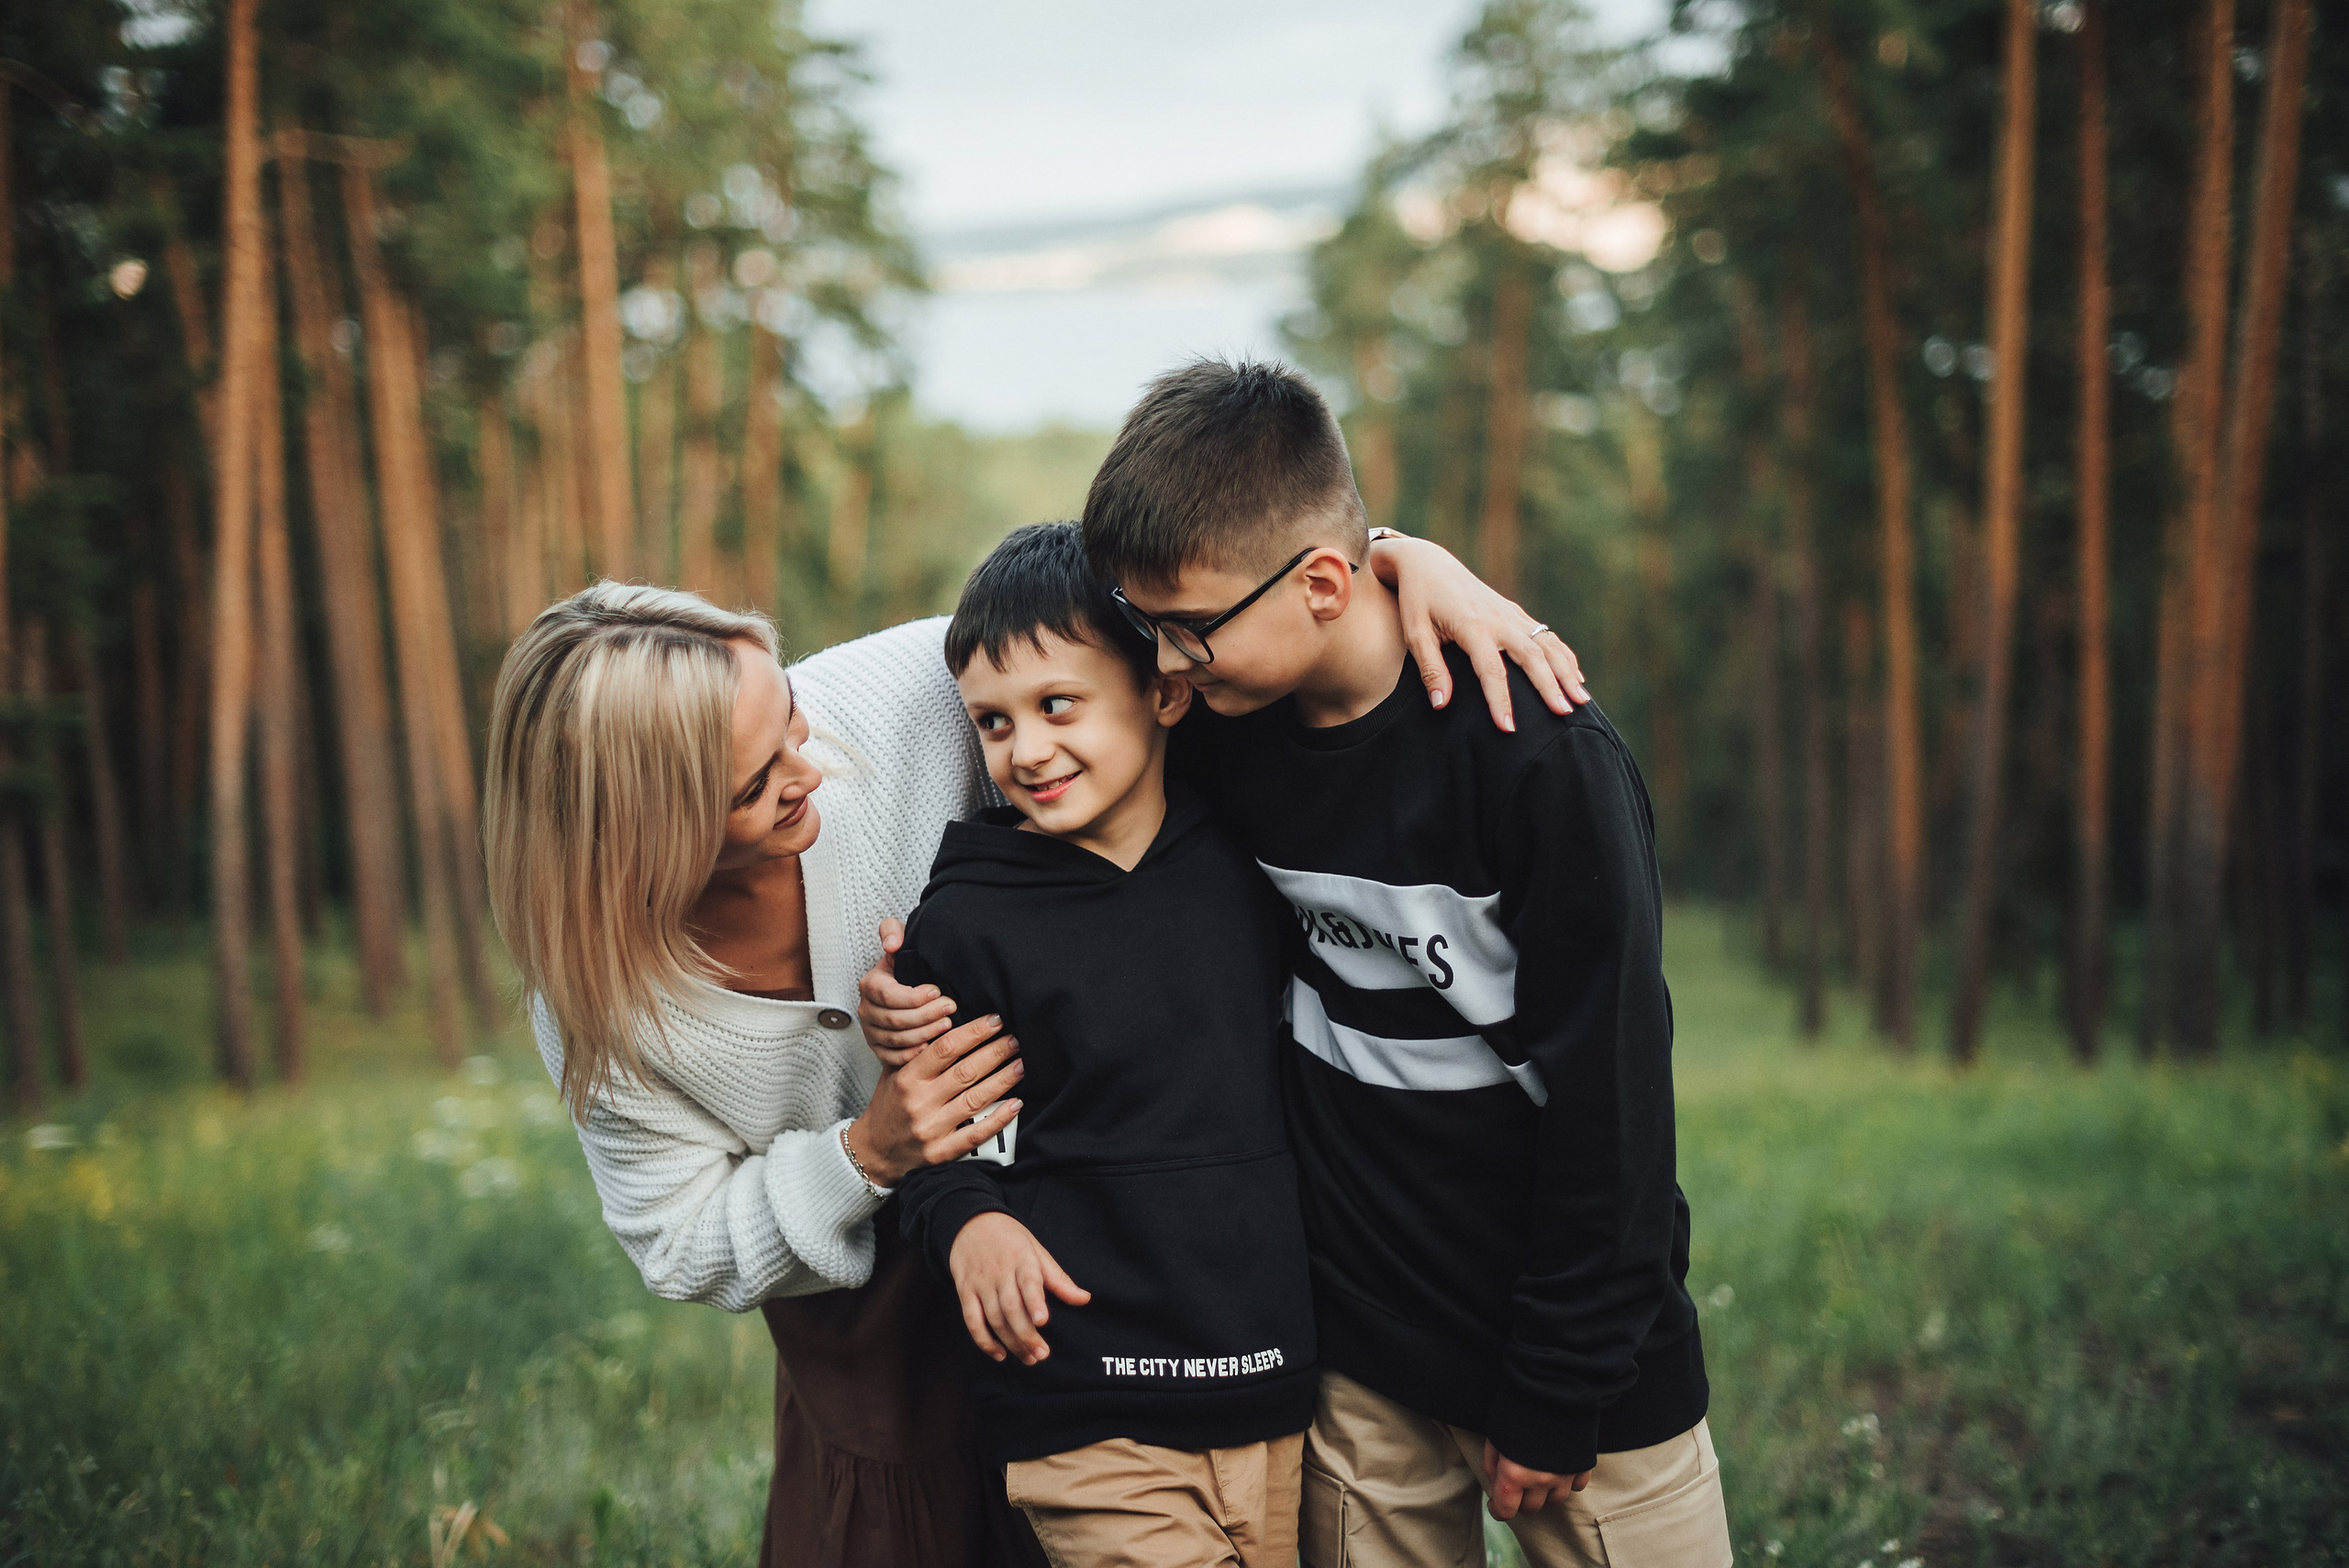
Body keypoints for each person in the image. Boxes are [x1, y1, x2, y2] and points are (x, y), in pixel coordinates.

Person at [483, 546, 1585, 1568]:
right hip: (861, 1295)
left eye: (791, 717)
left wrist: (1399, 562)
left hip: (1110, 1230)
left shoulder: (915, 685)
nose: (809, 765)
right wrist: (870, 1151)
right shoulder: (605, 1002)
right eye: (754, 783)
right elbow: (681, 1242)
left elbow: (1155, 600)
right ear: (645, 829)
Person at [1083, 358, 1732, 1568]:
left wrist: (1558, 1382)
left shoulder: (1537, 761)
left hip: (1589, 1364)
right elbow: (1020, 630)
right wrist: (1398, 544)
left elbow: (1618, 1109)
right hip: (1366, 1356)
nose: (1164, 666)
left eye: (1187, 630)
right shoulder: (1232, 730)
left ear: (1323, 582)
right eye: (1146, 627)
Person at [895, 523, 1316, 1568]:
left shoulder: (1252, 856)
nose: (1023, 750)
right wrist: (966, 1225)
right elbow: (930, 1137)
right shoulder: (966, 918)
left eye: (1057, 705)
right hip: (1085, 1397)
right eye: (991, 722)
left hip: (1270, 1377)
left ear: (1167, 692)